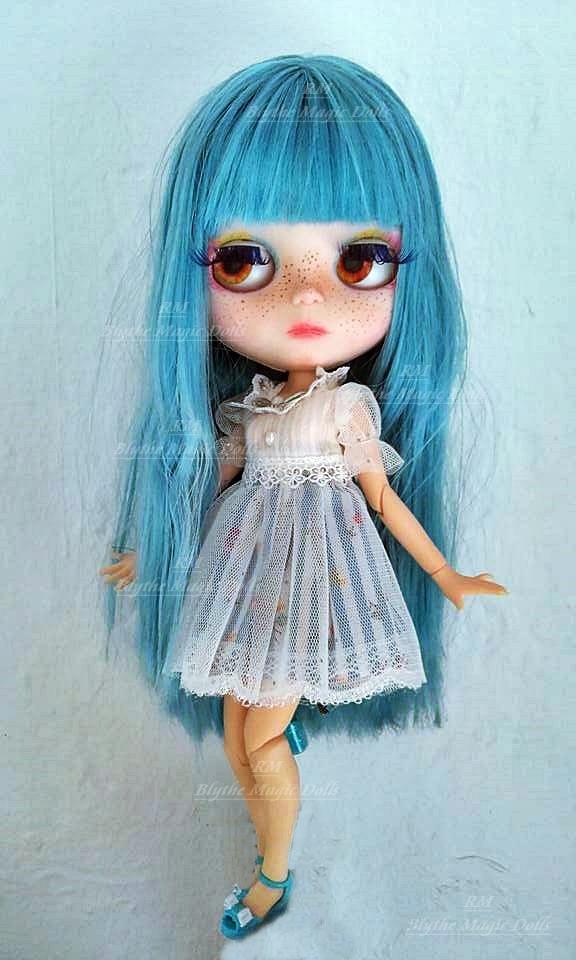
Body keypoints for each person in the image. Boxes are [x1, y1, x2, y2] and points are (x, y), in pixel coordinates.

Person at [99, 54, 507, 939]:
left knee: (256, 739)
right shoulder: (250, 409)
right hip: (245, 585)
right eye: (247, 260)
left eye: (360, 259)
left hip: (316, 584)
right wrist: (145, 550)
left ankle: (273, 877)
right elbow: (203, 486)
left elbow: (383, 501)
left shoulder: (347, 409)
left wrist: (444, 573)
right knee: (237, 735)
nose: (307, 291)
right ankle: (268, 841)